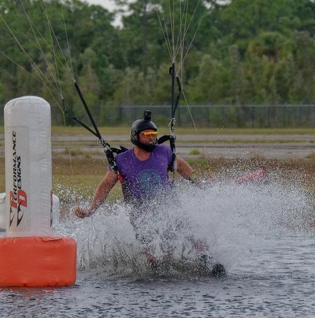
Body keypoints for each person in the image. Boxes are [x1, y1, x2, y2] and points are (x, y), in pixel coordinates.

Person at [74, 111, 223, 274]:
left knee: (193, 233)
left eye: (154, 134)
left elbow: (181, 167)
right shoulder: (122, 160)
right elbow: (106, 185)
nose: (152, 138)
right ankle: (156, 270)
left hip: (168, 204)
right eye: (147, 135)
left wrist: (201, 183)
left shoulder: (163, 151)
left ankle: (207, 261)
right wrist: (91, 210)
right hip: (140, 210)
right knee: (151, 251)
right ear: (136, 137)